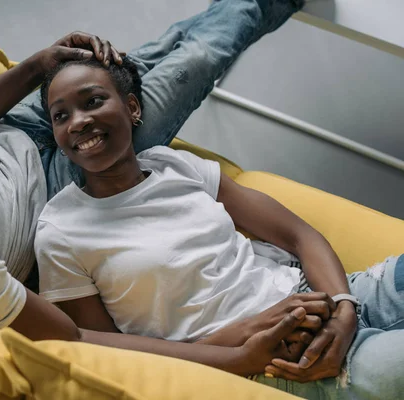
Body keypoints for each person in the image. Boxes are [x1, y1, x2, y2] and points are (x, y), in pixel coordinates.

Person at [0, 0, 311, 375]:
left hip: (13, 130)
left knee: (135, 58)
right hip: (71, 178)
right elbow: (73, 336)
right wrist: (232, 356)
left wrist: (34, 69)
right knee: (197, 58)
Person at [34, 56, 404, 398]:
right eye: (60, 115)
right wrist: (242, 345)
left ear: (132, 108)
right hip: (270, 359)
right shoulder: (60, 230)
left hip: (321, 294)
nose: (78, 121)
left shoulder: (173, 165)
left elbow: (298, 235)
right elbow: (104, 349)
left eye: (93, 101)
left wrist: (344, 308)